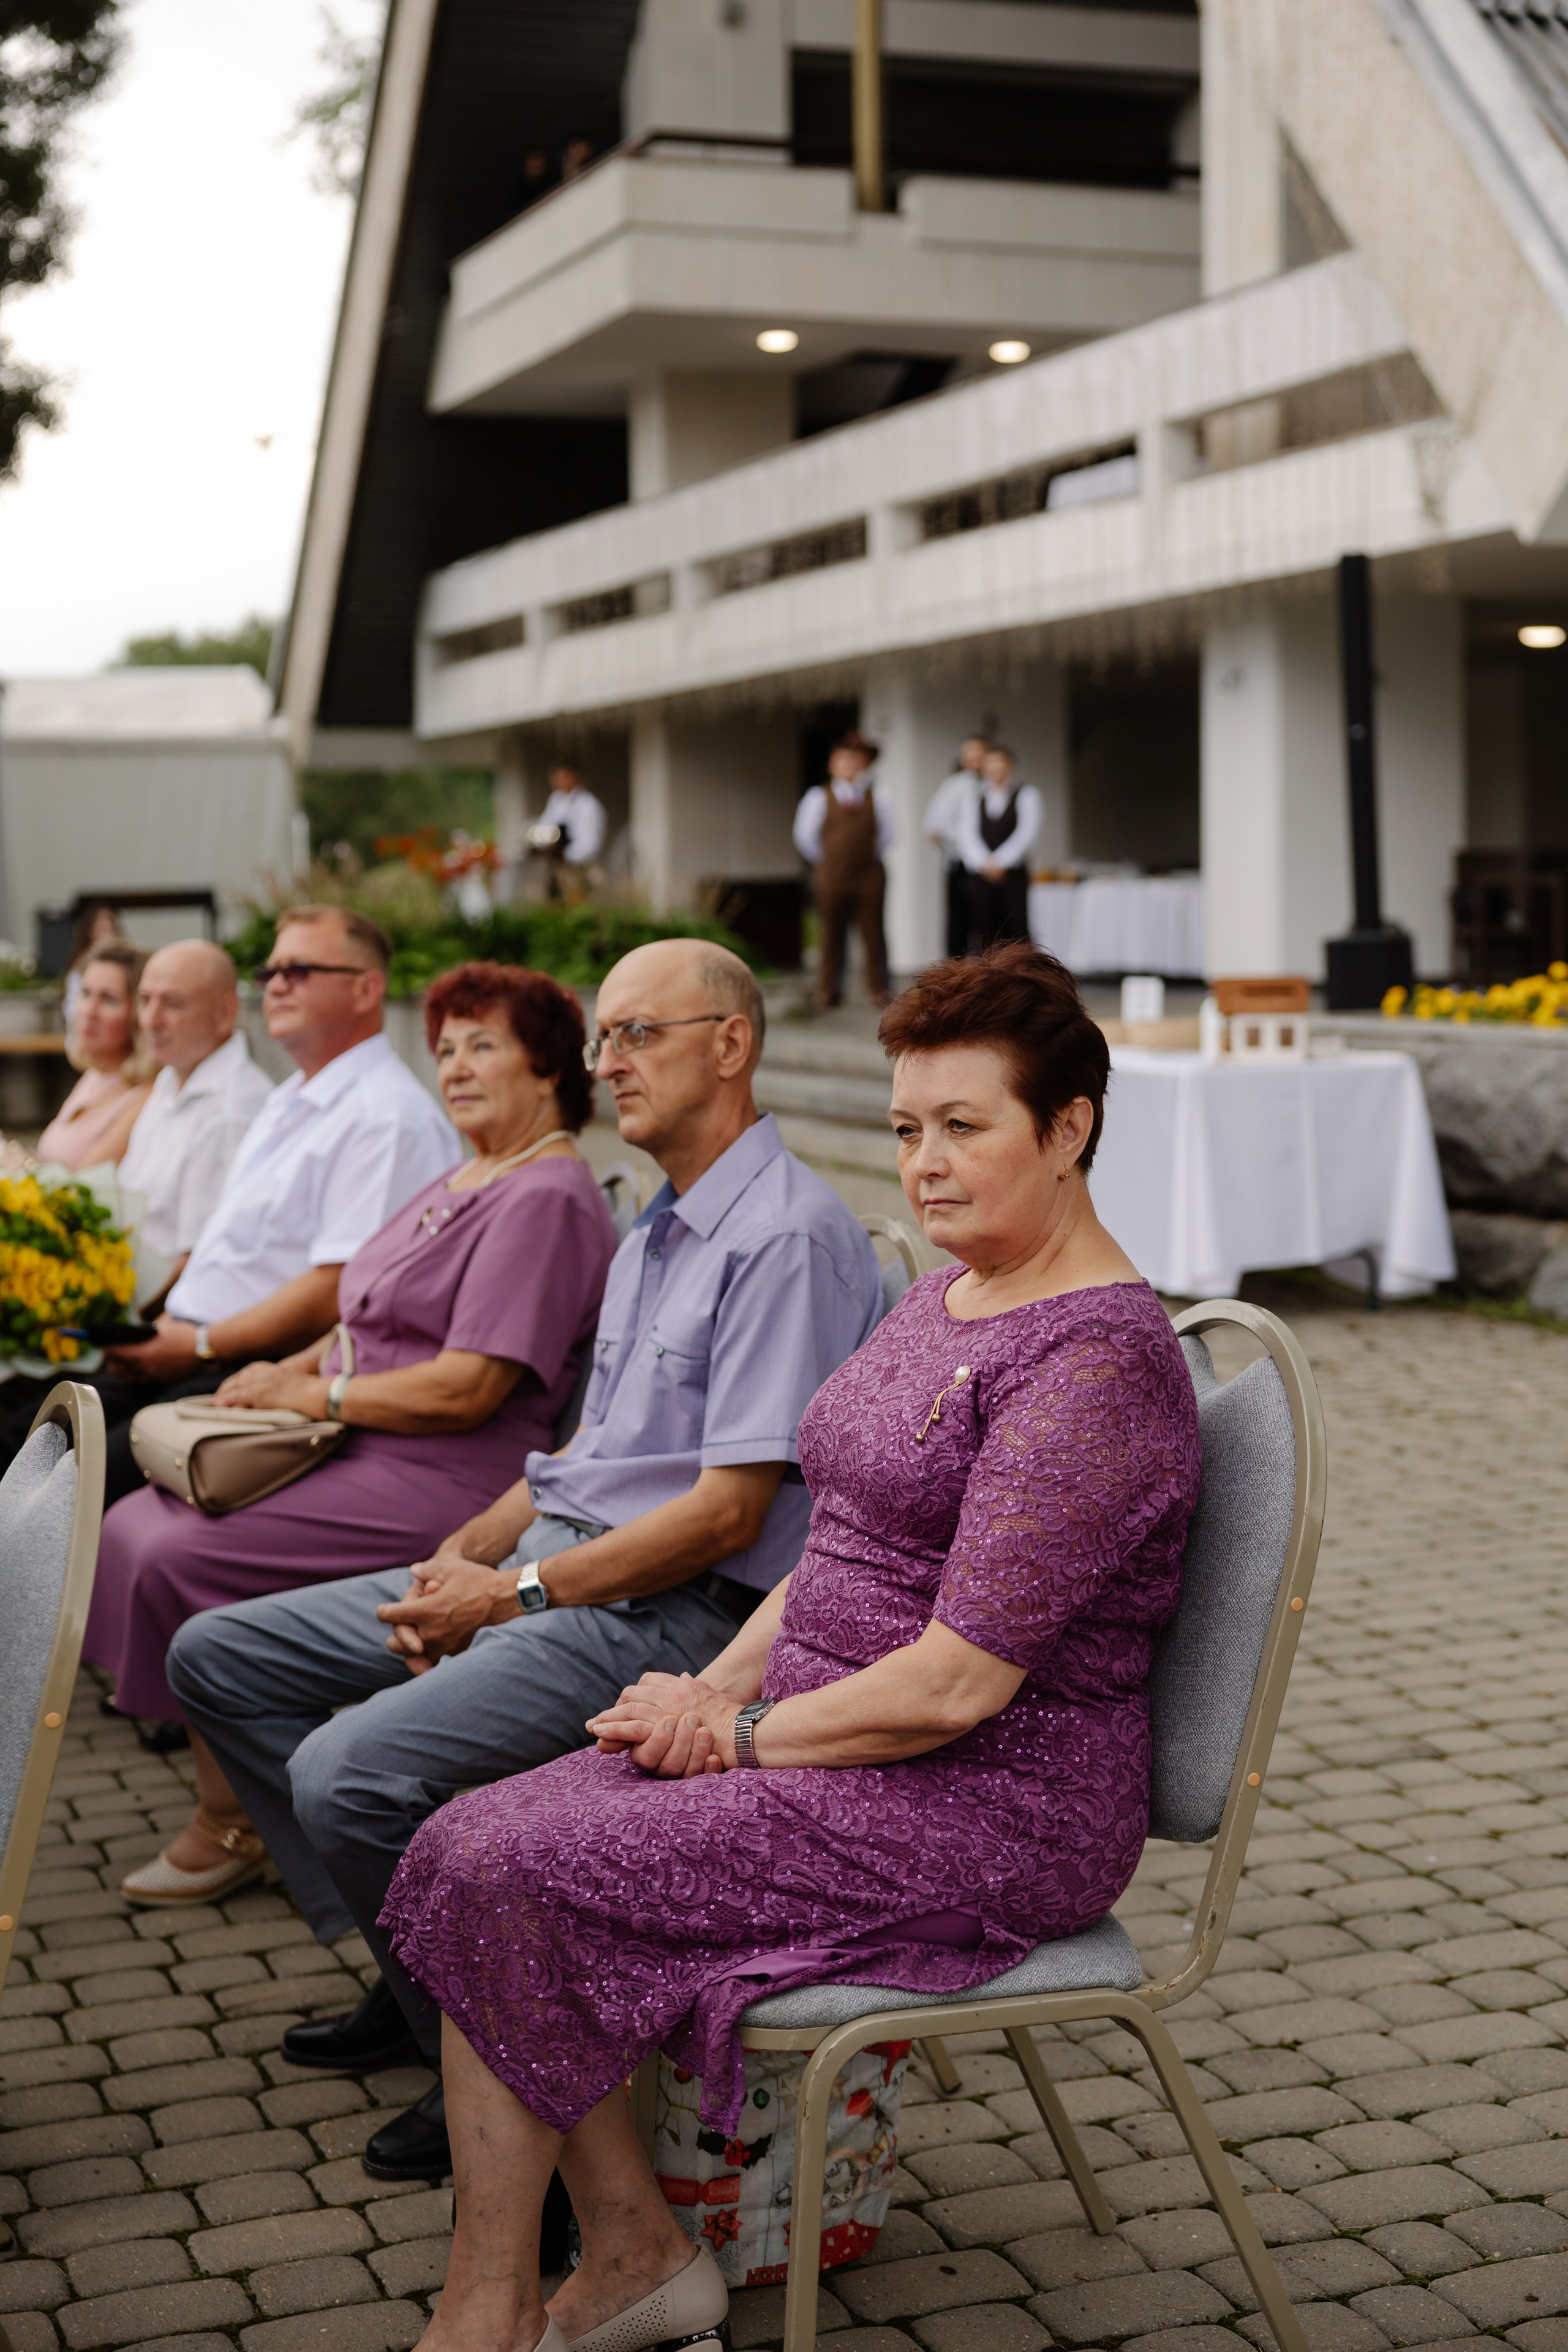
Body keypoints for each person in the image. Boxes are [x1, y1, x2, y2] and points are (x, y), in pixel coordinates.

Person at [372, 941, 1202, 2352]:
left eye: (962, 1125)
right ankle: (628, 2247)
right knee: (464, 1845)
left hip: (991, 1797)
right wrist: (713, 1685)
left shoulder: (1094, 1367)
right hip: (838, 1734)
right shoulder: (947, 1290)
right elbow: (838, 1551)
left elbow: (957, 1679)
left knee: (513, 1868)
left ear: (1068, 1128)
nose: (923, 1163)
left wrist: (734, 1736)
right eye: (902, 1128)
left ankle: (492, 2311)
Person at [168, 937, 883, 2187]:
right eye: (602, 1038)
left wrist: (511, 1595)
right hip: (555, 1566)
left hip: (669, 1616)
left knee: (346, 1774)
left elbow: (724, 1517)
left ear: (730, 1043)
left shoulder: (783, 1236)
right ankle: (424, 1979)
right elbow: (590, 1450)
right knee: (216, 1655)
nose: (608, 1063)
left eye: (636, 1036)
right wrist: (470, 1549)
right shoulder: (656, 1220)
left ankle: (486, 2062)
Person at [96, 962, 617, 1909]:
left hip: (452, 1469)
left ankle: (247, 1824)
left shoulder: (543, 1196)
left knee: (179, 1553)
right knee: (141, 1520)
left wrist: (317, 1398)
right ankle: (274, 1813)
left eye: (484, 1046)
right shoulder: (470, 1172)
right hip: (371, 1438)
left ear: (549, 1069)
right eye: (446, 1047)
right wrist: (291, 1373)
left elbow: (468, 1386)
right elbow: (366, 1312)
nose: (455, 1066)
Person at [89, 905, 458, 1506]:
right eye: (270, 973)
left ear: (367, 989)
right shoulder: (294, 1096)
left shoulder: (384, 1118)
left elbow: (339, 1289)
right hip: (189, 1348)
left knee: (64, 1486)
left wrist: (199, 1345)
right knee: (35, 1441)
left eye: (301, 969)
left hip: (254, 1373)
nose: (277, 985)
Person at [116, 941, 274, 1284]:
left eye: (172, 1003)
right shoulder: (173, 1076)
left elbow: (196, 1264)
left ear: (225, 1013)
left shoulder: (231, 1110)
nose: (151, 1020)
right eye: (144, 1000)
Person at [793, 729, 895, 1009]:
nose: (848, 767)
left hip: (868, 875)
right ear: (832, 766)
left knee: (873, 932)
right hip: (831, 875)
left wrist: (863, 857)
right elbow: (805, 837)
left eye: (853, 761)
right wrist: (829, 860)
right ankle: (828, 989)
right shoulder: (818, 797)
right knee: (831, 933)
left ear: (862, 765)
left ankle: (878, 988)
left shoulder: (878, 797)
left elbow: (887, 835)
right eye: (842, 761)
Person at [36, 940, 153, 1170]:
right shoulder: (96, 1074)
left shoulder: (146, 1097)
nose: (90, 1011)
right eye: (86, 993)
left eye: (109, 999)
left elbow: (81, 1188)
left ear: (138, 1014)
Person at [959, 743, 1042, 949]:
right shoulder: (974, 798)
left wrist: (1001, 862)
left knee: (1016, 928)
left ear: (1010, 766)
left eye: (1000, 762)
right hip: (982, 873)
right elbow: (967, 834)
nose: (996, 768)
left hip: (1012, 873)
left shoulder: (1026, 795)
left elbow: (1027, 833)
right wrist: (984, 863)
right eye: (991, 763)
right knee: (984, 928)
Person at [925, 733, 989, 958]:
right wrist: (974, 852)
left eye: (979, 752)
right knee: (959, 923)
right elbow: (937, 825)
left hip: (991, 864)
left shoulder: (992, 785)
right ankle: (957, 977)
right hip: (962, 863)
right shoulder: (955, 785)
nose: (974, 758)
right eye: (969, 753)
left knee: (989, 924)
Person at [536, 761, 608, 897]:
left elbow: (590, 844)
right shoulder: (556, 800)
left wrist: (564, 854)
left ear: (575, 777)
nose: (560, 782)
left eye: (564, 777)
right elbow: (545, 827)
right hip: (556, 866)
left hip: (580, 869)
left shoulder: (588, 806)